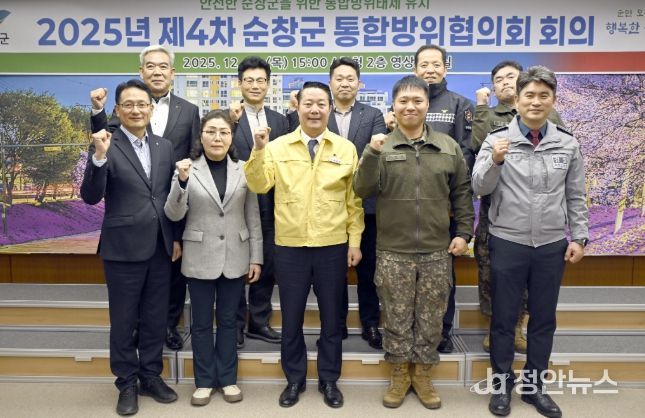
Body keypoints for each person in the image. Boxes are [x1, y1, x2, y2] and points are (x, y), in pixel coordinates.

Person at [472, 66, 588, 418]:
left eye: (543, 96)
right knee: (504, 319)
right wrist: (495, 161)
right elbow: (479, 186)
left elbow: (575, 195)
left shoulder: (567, 143)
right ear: (518, 100)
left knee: (543, 320)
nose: (536, 102)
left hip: (551, 245)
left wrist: (579, 236)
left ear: (552, 100)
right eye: (529, 95)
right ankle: (501, 387)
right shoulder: (497, 140)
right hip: (508, 241)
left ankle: (535, 388)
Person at [354, 75, 473, 410]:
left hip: (437, 250)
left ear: (427, 105)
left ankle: (421, 373)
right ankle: (398, 374)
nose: (410, 107)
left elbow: (462, 193)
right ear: (393, 105)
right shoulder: (381, 146)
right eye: (403, 101)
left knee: (431, 318)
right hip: (393, 251)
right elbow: (361, 189)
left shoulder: (447, 146)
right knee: (395, 317)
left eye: (417, 101)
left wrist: (463, 233)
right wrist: (372, 153)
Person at [244, 81, 364, 409]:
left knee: (332, 320)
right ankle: (294, 379)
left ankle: (329, 379)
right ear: (297, 107)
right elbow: (258, 184)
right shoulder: (277, 147)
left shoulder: (345, 148)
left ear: (329, 108)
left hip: (332, 246)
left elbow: (354, 201)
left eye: (321, 104)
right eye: (308, 103)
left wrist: (354, 241)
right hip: (290, 247)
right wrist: (258, 150)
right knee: (292, 318)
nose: (314, 110)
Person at [90, 44, 200, 351]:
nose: (157, 71)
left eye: (163, 66)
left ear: (172, 73)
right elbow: (105, 140)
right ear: (141, 71)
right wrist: (97, 113)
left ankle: (168, 326)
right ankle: (137, 337)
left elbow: (194, 151)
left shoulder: (189, 111)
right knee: (130, 303)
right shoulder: (129, 105)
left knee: (170, 281)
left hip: (171, 208)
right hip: (130, 222)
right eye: (150, 66)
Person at [81, 79, 178, 416]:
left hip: (160, 247)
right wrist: (99, 157)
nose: (136, 110)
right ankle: (126, 382)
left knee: (155, 317)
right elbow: (90, 196)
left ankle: (151, 375)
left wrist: (175, 238)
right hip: (122, 248)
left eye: (142, 104)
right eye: (129, 105)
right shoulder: (107, 142)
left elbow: (168, 196)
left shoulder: (165, 146)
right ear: (118, 110)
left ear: (151, 108)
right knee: (123, 320)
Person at [164, 109, 262, 406]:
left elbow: (253, 216)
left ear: (231, 137)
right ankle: (204, 382)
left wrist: (256, 257)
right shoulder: (186, 168)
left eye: (224, 132)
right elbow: (173, 214)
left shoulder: (244, 169)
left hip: (236, 255)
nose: (217, 137)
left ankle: (228, 379)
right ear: (201, 136)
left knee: (230, 321)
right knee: (202, 323)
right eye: (211, 132)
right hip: (199, 256)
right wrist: (181, 182)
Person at [288, 57, 387, 349]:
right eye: (339, 78)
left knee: (368, 269)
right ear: (330, 82)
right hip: (323, 205)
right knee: (333, 273)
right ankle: (337, 323)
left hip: (365, 205)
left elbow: (376, 155)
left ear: (359, 83)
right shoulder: (319, 111)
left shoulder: (373, 114)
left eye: (350, 78)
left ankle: (370, 323)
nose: (345, 83)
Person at [471, 60, 565, 353]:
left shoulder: (548, 114)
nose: (505, 82)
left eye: (510, 77)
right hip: (497, 205)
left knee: (528, 274)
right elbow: (476, 144)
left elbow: (561, 152)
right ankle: (495, 325)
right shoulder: (490, 116)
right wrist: (482, 108)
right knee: (491, 268)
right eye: (498, 79)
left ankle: (518, 327)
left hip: (539, 210)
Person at [413, 44, 475, 353]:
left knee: (442, 275)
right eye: (424, 64)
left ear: (445, 68)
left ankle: (443, 330)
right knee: (408, 273)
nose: (430, 70)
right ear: (415, 69)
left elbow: (466, 153)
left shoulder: (460, 104)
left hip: (444, 205)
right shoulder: (407, 101)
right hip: (407, 206)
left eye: (436, 64)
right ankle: (410, 329)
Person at [231, 56, 289, 349]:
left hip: (272, 200)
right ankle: (235, 324)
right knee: (236, 265)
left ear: (268, 84)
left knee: (267, 262)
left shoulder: (280, 120)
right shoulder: (228, 117)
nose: (255, 85)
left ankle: (259, 321)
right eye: (249, 80)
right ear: (240, 84)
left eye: (261, 80)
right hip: (236, 200)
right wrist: (231, 122)